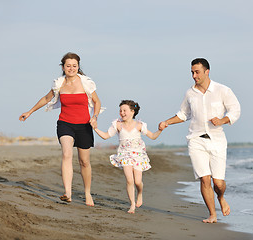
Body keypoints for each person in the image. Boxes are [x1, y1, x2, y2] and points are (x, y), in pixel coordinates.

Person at [159, 58, 241, 223]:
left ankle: (221, 197)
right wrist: (167, 122)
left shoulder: (222, 90)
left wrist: (222, 120)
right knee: (205, 178)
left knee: (218, 183)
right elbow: (183, 114)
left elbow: (235, 110)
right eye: (192, 72)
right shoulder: (190, 93)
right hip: (196, 140)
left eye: (197, 72)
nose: (194, 76)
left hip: (217, 140)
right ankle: (212, 214)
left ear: (206, 71)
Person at [19, 52, 101, 206]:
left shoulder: (86, 83)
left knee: (84, 162)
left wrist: (95, 117)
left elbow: (97, 102)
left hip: (84, 125)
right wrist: (29, 111)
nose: (71, 68)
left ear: (78, 67)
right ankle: (68, 193)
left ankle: (87, 193)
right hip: (65, 124)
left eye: (74, 66)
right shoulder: (59, 84)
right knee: (66, 153)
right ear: (63, 67)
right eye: (68, 66)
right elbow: (46, 98)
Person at [93, 100, 162, 214]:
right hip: (124, 155)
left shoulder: (140, 125)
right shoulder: (117, 124)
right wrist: (95, 128)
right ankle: (132, 205)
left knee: (138, 181)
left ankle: (139, 193)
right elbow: (106, 136)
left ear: (132, 112)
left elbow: (153, 136)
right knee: (130, 180)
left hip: (138, 155)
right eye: (120, 110)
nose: (122, 113)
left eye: (124, 110)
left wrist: (160, 130)